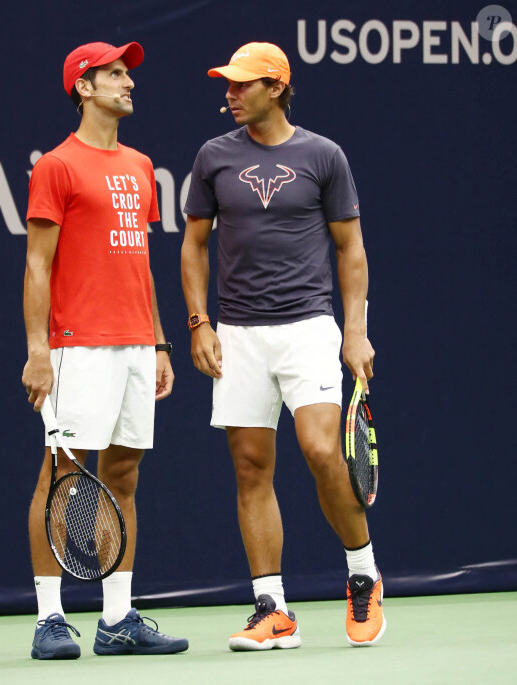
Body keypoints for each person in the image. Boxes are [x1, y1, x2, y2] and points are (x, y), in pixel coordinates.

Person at [181, 42, 385, 650]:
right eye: (227, 84)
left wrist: (356, 330)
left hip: (308, 328)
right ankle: (272, 608)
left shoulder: (323, 155)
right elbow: (193, 245)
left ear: (276, 86)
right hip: (237, 334)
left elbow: (351, 248)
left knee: (323, 451)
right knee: (250, 469)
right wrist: (199, 323)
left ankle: (362, 573)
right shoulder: (213, 157)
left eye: (242, 85)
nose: (230, 93)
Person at [22, 41, 188, 660]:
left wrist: (160, 341)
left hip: (135, 347)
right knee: (63, 474)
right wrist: (38, 349)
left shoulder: (141, 166)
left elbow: (139, 264)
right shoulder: (57, 167)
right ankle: (49, 619)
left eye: (127, 73)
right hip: (75, 346)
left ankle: (117, 618)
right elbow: (38, 267)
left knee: (123, 475)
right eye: (114, 74)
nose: (128, 82)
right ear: (83, 88)